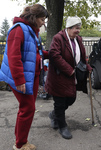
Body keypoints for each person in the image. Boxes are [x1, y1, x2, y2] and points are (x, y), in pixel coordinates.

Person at [0, 4, 49, 150]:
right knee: (28, 109)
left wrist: (51, 53)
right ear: (34, 17)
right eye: (42, 19)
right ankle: (20, 144)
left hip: (32, 76)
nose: (43, 23)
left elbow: (36, 52)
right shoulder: (19, 30)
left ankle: (19, 140)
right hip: (22, 78)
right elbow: (14, 57)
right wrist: (19, 80)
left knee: (26, 108)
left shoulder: (33, 31)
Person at [45, 16, 92, 139]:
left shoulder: (78, 39)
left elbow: (82, 57)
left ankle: (54, 114)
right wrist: (69, 70)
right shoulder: (58, 38)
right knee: (60, 102)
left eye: (79, 28)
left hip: (72, 77)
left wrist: (87, 67)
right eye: (76, 28)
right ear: (69, 27)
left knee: (71, 98)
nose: (78, 31)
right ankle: (62, 126)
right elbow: (54, 55)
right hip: (59, 76)